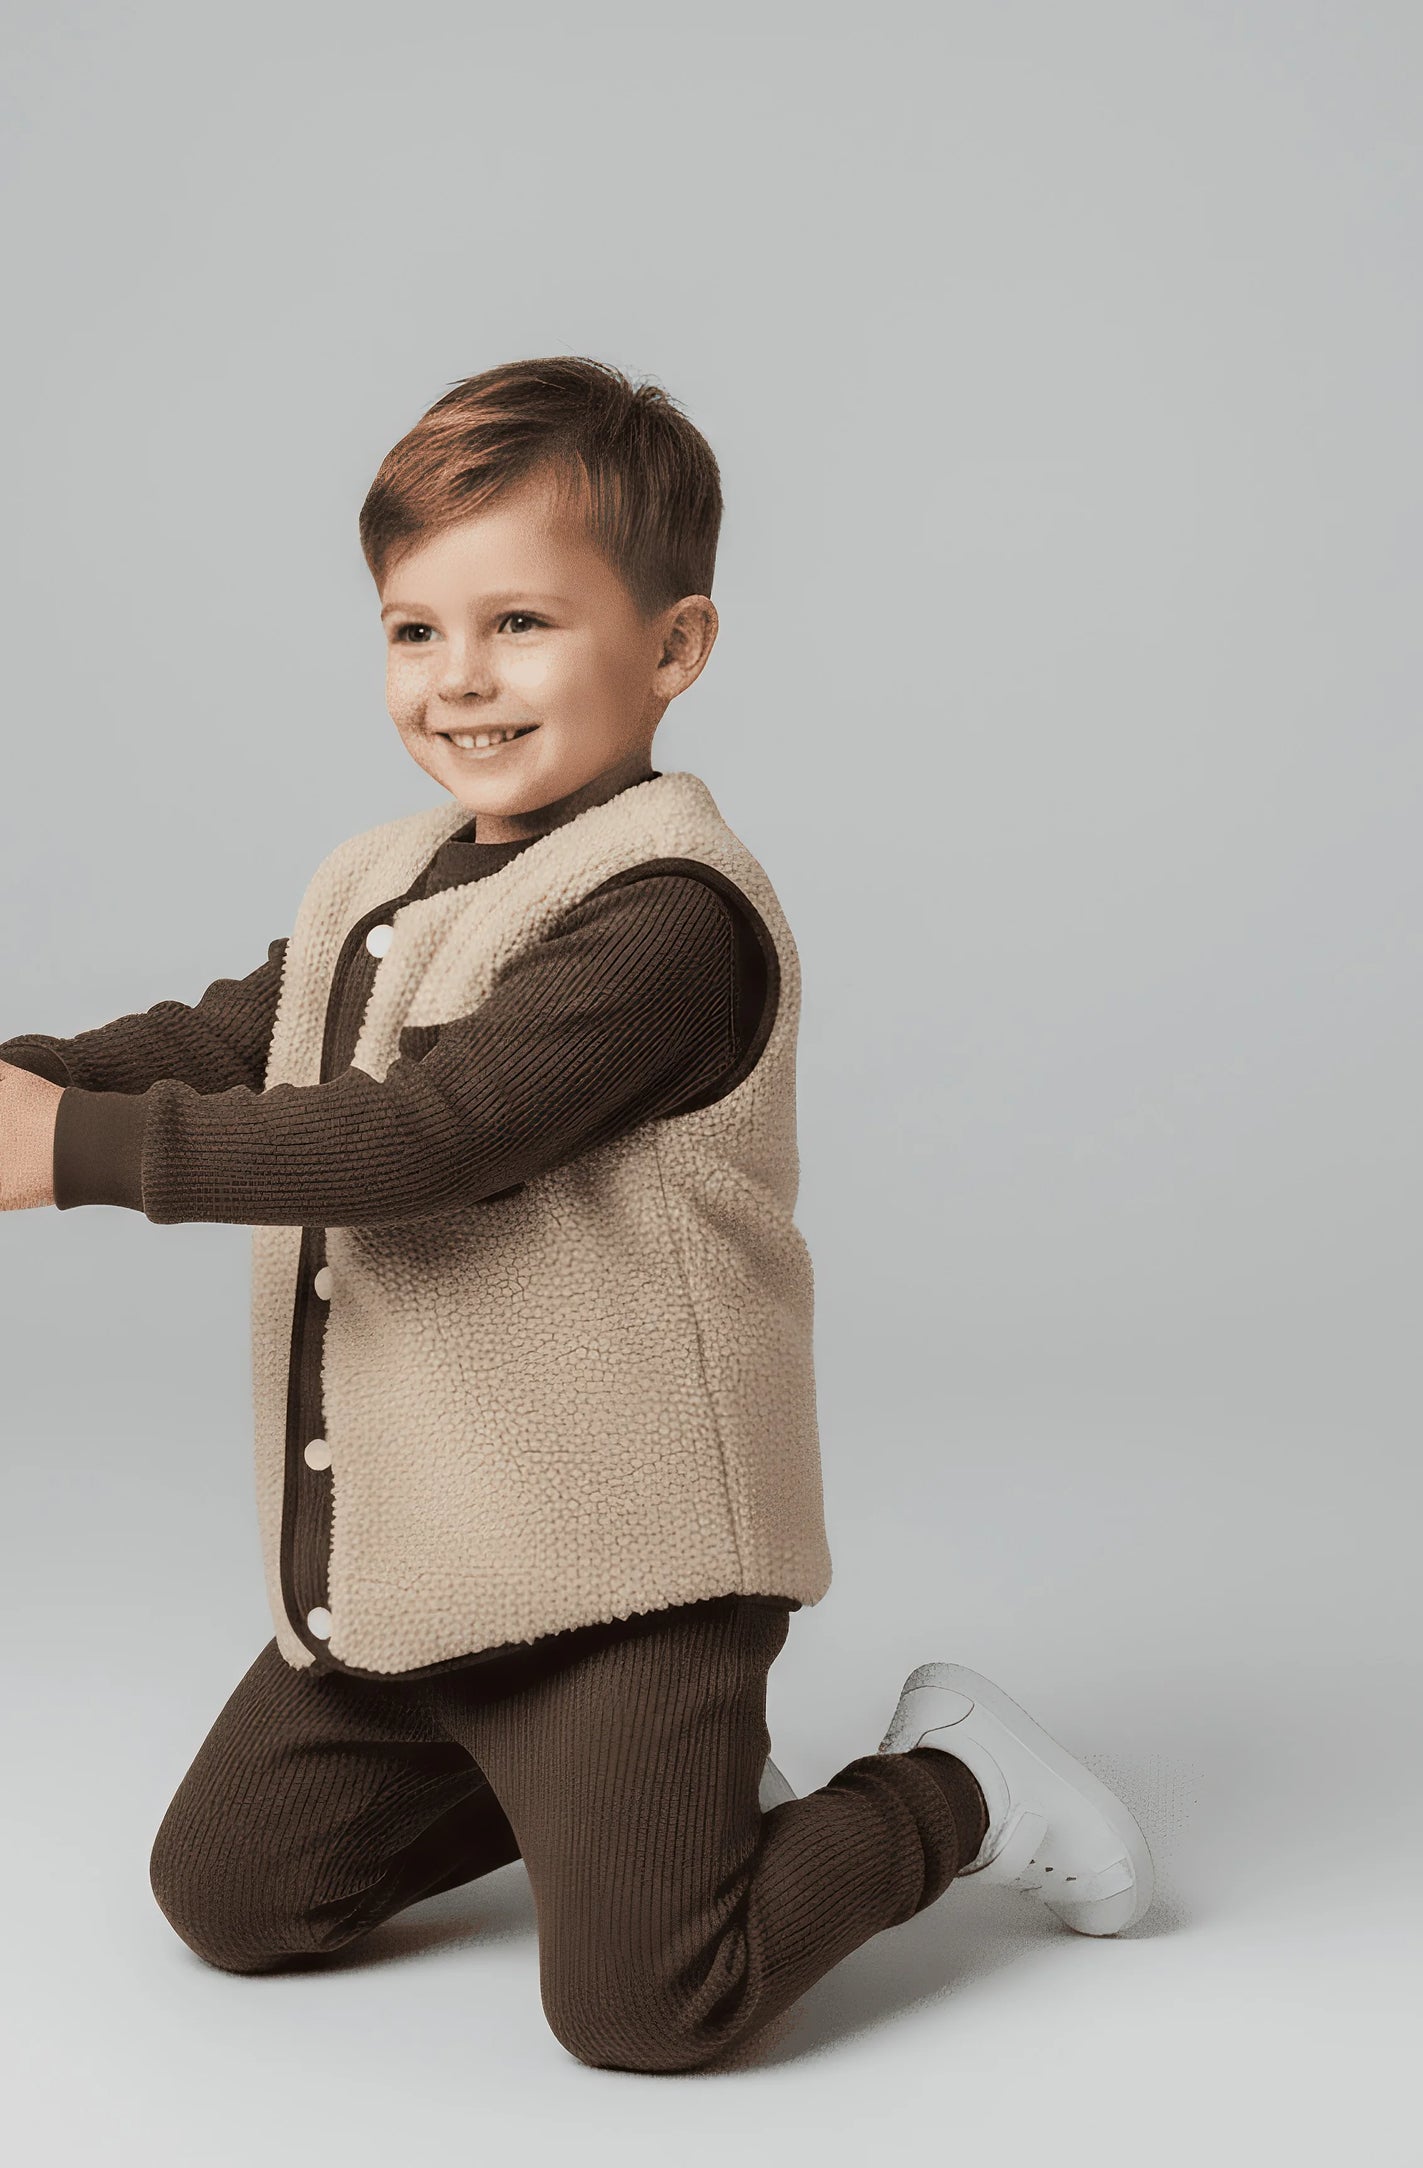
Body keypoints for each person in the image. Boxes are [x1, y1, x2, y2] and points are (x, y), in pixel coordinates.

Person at [0, 355, 1154, 2073]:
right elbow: (234, 1038)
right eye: (413, 630)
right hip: (418, 1567)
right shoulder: (378, 882)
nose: (459, 680)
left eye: (521, 624)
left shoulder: (670, 915)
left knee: (644, 2009)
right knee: (232, 1899)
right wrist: (26, 1076)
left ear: (673, 648)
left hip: (627, 1568)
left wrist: (72, 1149)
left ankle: (956, 1784)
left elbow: (426, 1144)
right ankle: (636, 1813)